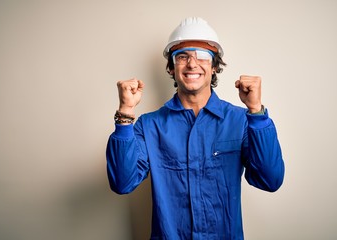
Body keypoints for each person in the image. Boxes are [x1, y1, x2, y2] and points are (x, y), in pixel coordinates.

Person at [106, 17, 285, 240]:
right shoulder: (148, 125)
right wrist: (125, 112)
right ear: (171, 68)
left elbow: (270, 180)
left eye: (202, 56)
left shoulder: (241, 121)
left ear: (214, 66)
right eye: (182, 56)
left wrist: (257, 112)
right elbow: (122, 182)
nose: (192, 64)